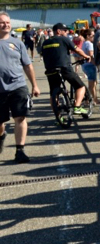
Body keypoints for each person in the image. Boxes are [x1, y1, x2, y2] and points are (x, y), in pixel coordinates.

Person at [0, 12, 41, 163]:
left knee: (20, 117)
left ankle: (20, 150)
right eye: (2, 22)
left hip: (18, 86)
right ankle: (1, 136)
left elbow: (28, 66)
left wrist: (34, 85)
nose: (6, 25)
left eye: (8, 22)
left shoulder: (18, 43)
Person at [41, 23, 91, 120]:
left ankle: (58, 117)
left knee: (53, 94)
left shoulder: (45, 42)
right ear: (58, 31)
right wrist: (86, 56)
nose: (67, 32)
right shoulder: (64, 39)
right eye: (65, 30)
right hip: (64, 68)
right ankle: (77, 107)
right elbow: (77, 50)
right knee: (80, 86)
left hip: (50, 70)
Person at [80, 29, 99, 106]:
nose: (94, 37)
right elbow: (91, 56)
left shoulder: (84, 43)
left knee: (92, 83)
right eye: (92, 35)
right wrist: (96, 65)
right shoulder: (89, 44)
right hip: (90, 65)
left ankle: (92, 99)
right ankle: (93, 100)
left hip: (86, 65)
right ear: (88, 36)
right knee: (92, 84)